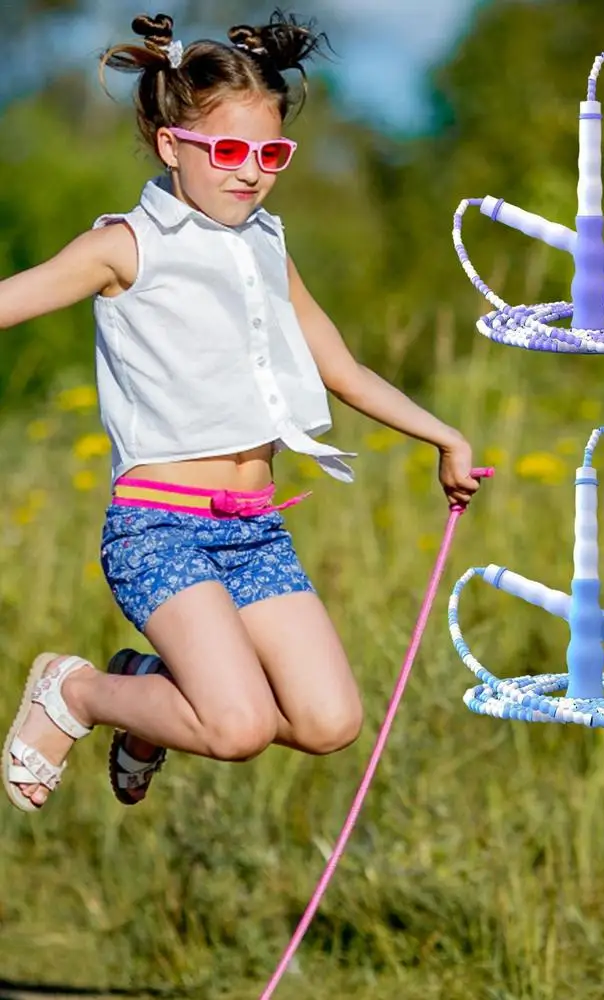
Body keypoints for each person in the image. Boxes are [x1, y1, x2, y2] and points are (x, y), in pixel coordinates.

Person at [2, 10, 481, 813]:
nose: (251, 172)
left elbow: (342, 369)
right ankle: (77, 692)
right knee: (238, 727)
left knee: (329, 721)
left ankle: (147, 689)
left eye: (271, 154)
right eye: (227, 151)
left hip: (255, 529)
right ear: (171, 146)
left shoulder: (267, 246)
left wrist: (445, 437)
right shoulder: (125, 246)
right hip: (159, 528)